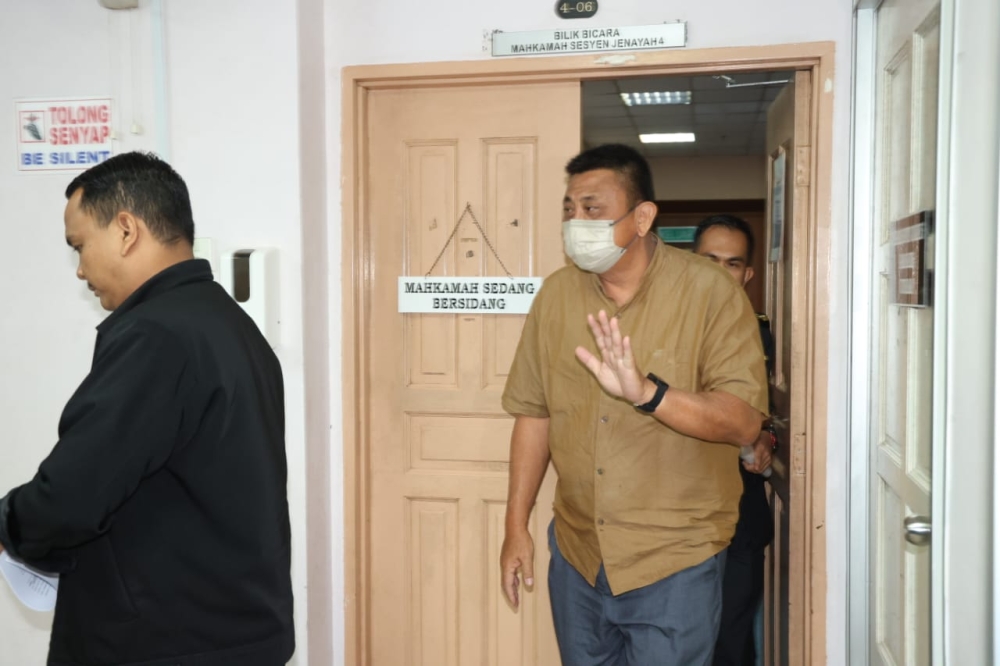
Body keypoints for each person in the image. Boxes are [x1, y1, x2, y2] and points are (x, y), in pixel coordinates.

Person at [0, 152, 295, 666]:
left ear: (125, 230)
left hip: (163, 640)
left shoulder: (156, 335)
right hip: (233, 631)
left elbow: (73, 494)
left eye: (80, 246)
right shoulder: (228, 323)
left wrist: (9, 526)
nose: (79, 271)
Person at [499, 143, 769, 666]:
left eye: (592, 208)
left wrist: (650, 395)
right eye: (569, 210)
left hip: (674, 561)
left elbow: (743, 421)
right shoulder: (556, 296)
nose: (576, 222)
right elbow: (534, 413)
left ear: (642, 217)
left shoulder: (710, 292)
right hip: (576, 557)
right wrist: (515, 526)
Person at [693, 214, 777, 666]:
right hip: (675, 518)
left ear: (746, 275)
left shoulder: (764, 335)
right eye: (708, 261)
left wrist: (767, 439)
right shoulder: (658, 331)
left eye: (731, 263)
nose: (719, 273)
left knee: (732, 641)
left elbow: (775, 418)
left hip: (739, 516)